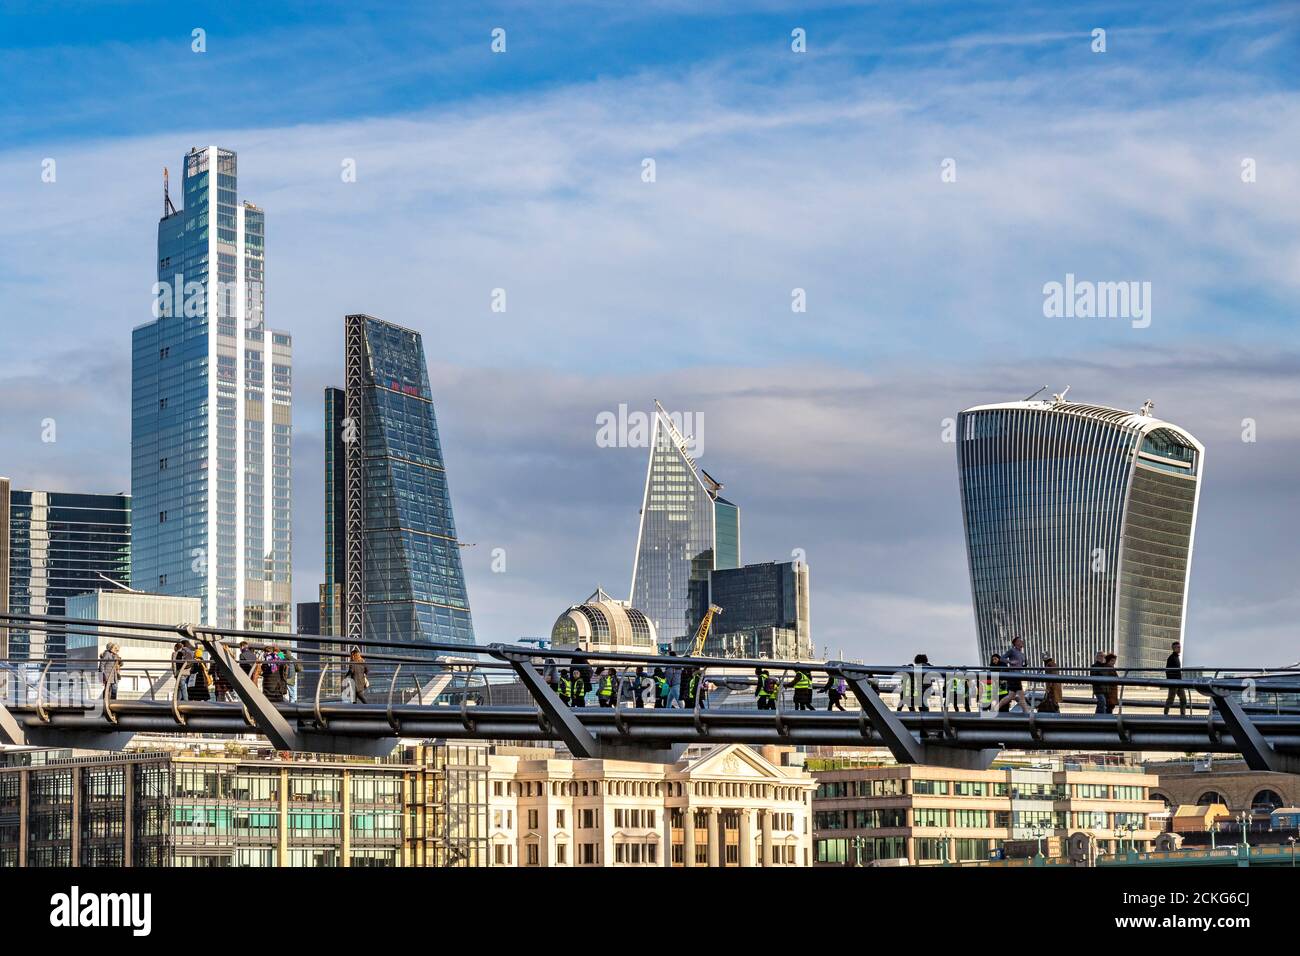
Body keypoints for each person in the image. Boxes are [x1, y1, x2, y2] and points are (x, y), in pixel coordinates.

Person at [999, 637, 1029, 712]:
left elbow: (1021, 665)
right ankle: (1027, 713)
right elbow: (1002, 658)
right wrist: (1010, 662)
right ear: (1015, 643)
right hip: (1013, 676)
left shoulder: (1022, 654)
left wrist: (1024, 665)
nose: (1021, 641)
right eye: (1019, 641)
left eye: (1021, 640)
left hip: (1018, 676)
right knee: (1021, 696)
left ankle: (995, 708)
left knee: (1010, 696)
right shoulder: (1012, 650)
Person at [1163, 641, 1189, 716]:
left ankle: (1183, 714)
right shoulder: (1171, 658)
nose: (1180, 648)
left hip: (1179, 682)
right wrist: (1171, 681)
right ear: (1174, 648)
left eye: (1180, 647)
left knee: (1183, 699)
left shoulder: (1176, 657)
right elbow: (1167, 671)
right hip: (1174, 682)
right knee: (1171, 699)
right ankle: (1165, 714)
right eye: (1178, 647)